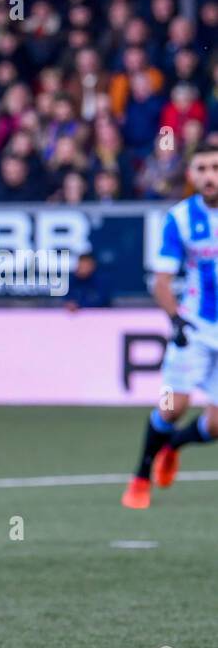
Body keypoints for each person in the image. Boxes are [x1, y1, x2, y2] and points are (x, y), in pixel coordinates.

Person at [122, 141, 218, 509]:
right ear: (192, 174)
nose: (209, 176)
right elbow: (161, 280)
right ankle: (140, 476)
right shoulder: (179, 218)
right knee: (171, 405)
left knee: (215, 425)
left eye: (215, 168)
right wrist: (176, 319)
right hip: (194, 327)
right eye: (202, 169)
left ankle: (174, 446)